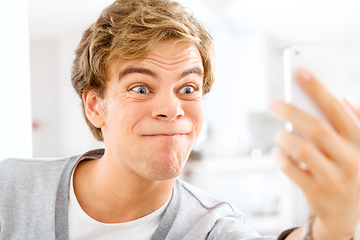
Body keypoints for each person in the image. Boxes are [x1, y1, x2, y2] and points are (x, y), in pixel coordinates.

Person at [0, 0, 360, 239]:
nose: (172, 109)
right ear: (96, 105)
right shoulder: (9, 190)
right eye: (141, 88)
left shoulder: (214, 228)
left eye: (188, 88)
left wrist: (332, 226)